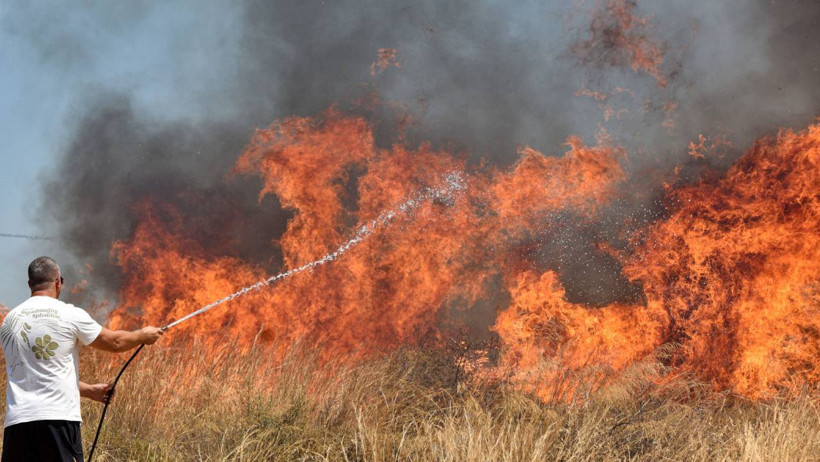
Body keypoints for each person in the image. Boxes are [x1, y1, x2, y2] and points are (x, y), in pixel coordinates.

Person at [0, 256, 164, 461]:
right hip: (58, 422)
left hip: (17, 425)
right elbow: (115, 342)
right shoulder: (68, 314)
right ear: (58, 282)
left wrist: (89, 390)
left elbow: (37, 373)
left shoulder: (9, 321)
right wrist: (143, 335)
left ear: (29, 284)